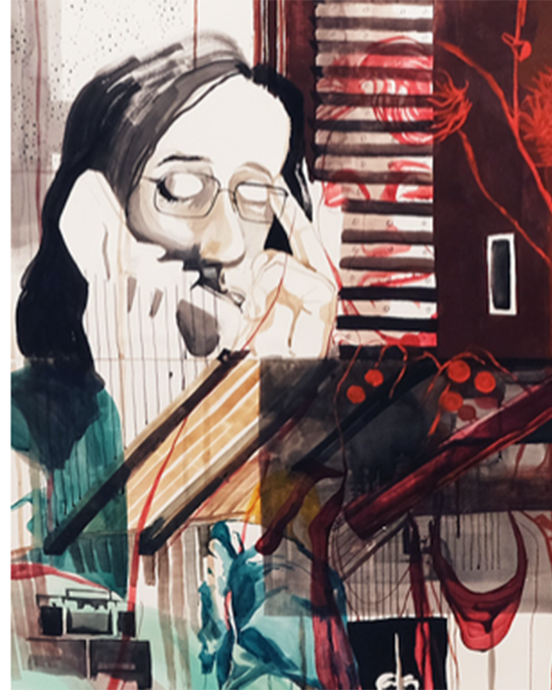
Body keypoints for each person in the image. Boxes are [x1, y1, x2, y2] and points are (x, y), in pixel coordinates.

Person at [12, 34, 337, 592]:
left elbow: (305, 668)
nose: (231, 243)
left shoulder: (274, 422)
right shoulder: (18, 432)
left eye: (256, 196)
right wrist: (134, 399)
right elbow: (86, 649)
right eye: (182, 188)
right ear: (94, 215)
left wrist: (286, 404)